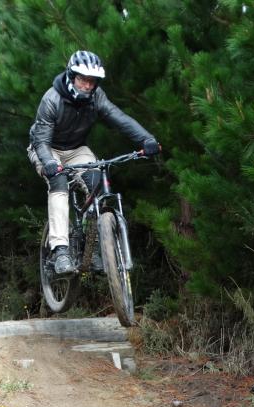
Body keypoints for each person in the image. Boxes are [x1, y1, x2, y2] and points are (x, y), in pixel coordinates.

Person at [28, 50, 160, 274]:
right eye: (82, 79)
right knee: (58, 183)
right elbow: (41, 141)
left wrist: (146, 139)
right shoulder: (52, 99)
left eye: (92, 81)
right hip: (46, 149)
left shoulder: (97, 97)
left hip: (77, 149)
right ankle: (60, 250)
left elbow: (120, 118)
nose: (88, 86)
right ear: (71, 76)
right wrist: (49, 163)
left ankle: (99, 247)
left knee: (97, 182)